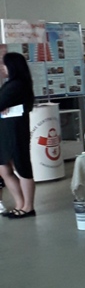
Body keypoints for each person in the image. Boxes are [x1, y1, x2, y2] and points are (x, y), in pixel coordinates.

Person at [0, 51, 36, 219]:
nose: (3, 67)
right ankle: (19, 203)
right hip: (5, 131)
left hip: (15, 131)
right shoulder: (11, 84)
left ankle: (28, 207)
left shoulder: (18, 85)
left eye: (5, 64)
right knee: (4, 169)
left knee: (21, 168)